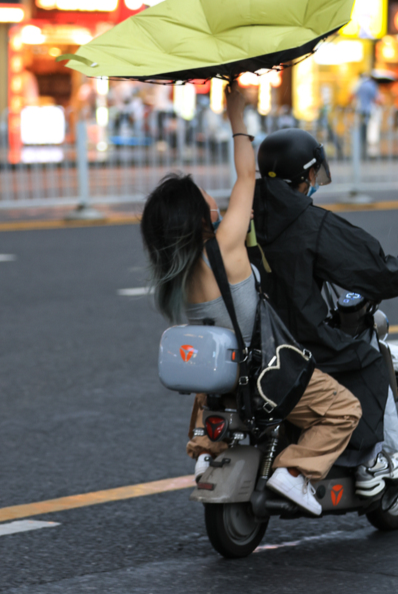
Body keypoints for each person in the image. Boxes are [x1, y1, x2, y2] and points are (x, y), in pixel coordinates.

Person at [139, 85, 362, 516]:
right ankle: (295, 473)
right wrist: (237, 115)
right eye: (203, 196)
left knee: (217, 393)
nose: (212, 197)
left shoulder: (177, 273)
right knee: (343, 409)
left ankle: (209, 446)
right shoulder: (224, 247)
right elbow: (247, 176)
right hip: (263, 369)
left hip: (221, 379)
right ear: (195, 216)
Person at [250, 129, 398, 498]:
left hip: (253, 339)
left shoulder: (244, 213)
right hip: (302, 339)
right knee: (368, 360)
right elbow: (368, 266)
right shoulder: (311, 223)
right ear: (307, 175)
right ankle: (371, 460)